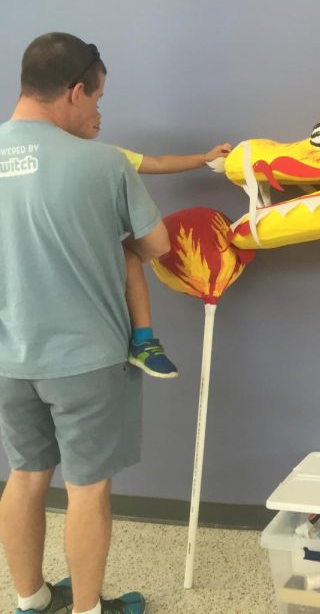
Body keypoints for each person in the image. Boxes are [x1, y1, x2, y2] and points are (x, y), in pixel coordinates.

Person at [0, 33, 169, 614]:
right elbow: (157, 245)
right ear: (73, 92)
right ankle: (88, 610)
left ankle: (30, 601)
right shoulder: (104, 162)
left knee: (23, 476)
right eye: (96, 98)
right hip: (85, 361)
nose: (99, 111)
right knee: (87, 488)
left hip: (7, 358)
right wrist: (108, 243)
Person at [114, 144, 232, 379]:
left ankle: (143, 340)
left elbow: (158, 162)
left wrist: (204, 157)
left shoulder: (110, 156)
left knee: (129, 256)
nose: (99, 116)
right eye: (94, 106)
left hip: (108, 245)